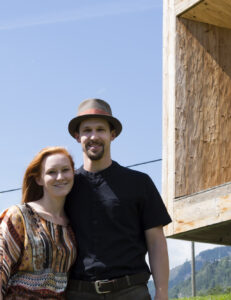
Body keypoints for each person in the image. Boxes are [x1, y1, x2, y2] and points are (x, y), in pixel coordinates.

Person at [64, 98, 172, 300]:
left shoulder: (139, 183)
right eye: (87, 130)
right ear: (77, 136)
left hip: (131, 292)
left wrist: (162, 292)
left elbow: (156, 242)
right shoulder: (66, 187)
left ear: (112, 135)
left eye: (100, 129)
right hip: (78, 293)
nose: (93, 136)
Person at [0, 146, 78, 300]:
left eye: (65, 170)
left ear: (73, 173)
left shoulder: (72, 224)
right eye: (51, 172)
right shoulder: (19, 216)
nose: (60, 177)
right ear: (39, 179)